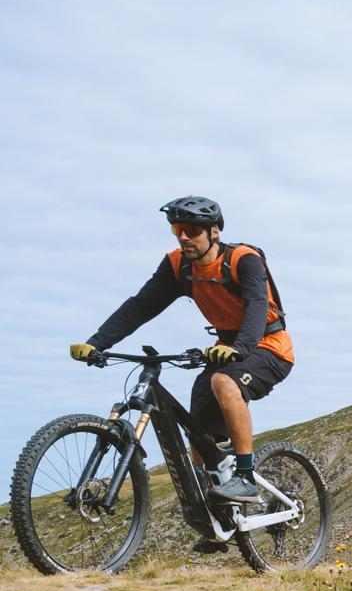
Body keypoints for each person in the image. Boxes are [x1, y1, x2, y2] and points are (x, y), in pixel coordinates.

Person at [70, 197, 293, 517]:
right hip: (226, 349)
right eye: (177, 230)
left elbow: (258, 306)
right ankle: (213, 509)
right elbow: (141, 306)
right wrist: (97, 343)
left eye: (191, 230)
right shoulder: (179, 267)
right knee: (197, 426)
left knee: (224, 382)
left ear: (214, 232)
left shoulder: (244, 260)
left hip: (269, 346)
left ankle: (245, 477)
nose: (183, 237)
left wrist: (240, 349)